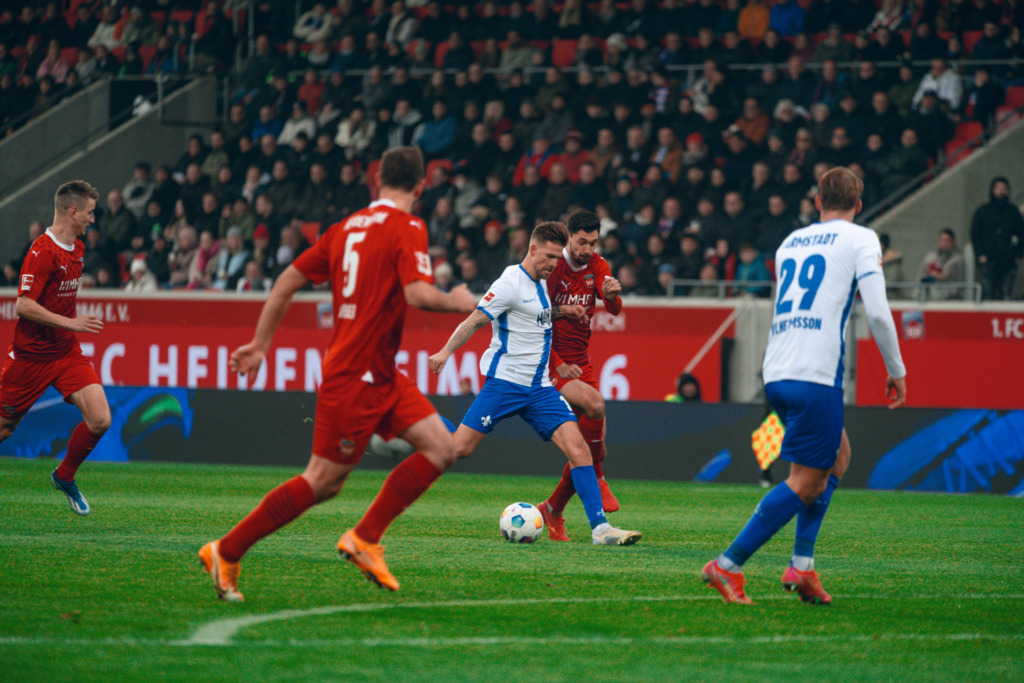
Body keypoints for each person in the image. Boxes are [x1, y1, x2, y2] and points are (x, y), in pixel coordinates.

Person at [198, 147, 477, 602]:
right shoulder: (408, 226)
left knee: (442, 447)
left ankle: (365, 538)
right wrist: (461, 301)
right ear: (421, 186)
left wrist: (261, 343)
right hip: (354, 375)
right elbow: (418, 294)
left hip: (380, 372)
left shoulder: (345, 228)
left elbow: (286, 281)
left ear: (376, 181)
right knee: (323, 481)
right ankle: (226, 551)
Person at [702, 167, 907, 605]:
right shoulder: (862, 238)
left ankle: (802, 566)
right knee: (807, 482)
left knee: (838, 456)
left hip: (777, 369)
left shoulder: (791, 242)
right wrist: (896, 368)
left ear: (817, 202)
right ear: (858, 204)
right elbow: (877, 311)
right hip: (815, 374)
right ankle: (727, 564)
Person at [428, 221, 642, 546]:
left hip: (540, 388)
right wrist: (445, 351)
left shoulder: (541, 282)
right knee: (459, 449)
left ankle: (601, 530)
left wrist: (563, 310)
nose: (554, 264)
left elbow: (535, 313)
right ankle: (422, 420)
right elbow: (474, 320)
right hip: (505, 383)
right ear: (532, 250)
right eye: (550, 257)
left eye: (558, 258)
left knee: (578, 448)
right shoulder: (509, 283)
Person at [0, 180, 109, 516]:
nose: (93, 219)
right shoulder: (42, 252)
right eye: (90, 212)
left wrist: (67, 329)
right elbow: (23, 305)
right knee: (5, 429)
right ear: (73, 211)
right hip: (30, 358)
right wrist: (70, 323)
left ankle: (64, 476)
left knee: (100, 419)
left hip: (65, 353)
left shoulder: (78, 249)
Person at [533, 210, 624, 542]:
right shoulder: (554, 267)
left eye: (593, 243)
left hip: (581, 362)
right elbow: (536, 318)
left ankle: (552, 509)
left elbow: (614, 307)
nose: (587, 249)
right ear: (568, 237)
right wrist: (556, 363)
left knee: (593, 447)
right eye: (581, 242)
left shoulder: (597, 264)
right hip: (550, 361)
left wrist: (611, 295)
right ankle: (597, 478)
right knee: (595, 407)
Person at [970, 177, 1024, 301]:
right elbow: (975, 234)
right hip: (988, 258)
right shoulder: (983, 211)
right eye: (998, 188)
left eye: (1004, 189)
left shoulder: (1014, 212)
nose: (1001, 192)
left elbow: (1021, 235)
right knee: (987, 292)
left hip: (1008, 260)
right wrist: (980, 254)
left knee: (1006, 292)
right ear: (992, 190)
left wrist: (1018, 255)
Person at [917, 228, 965, 301]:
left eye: (946, 241)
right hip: (931, 295)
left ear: (953, 242)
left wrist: (939, 274)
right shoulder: (931, 255)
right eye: (941, 240)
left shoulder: (958, 258)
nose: (944, 244)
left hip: (951, 297)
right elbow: (922, 275)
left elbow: (947, 275)